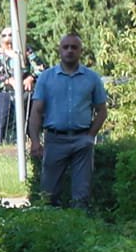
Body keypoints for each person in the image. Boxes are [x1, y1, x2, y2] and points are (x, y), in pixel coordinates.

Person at [26, 33, 109, 209]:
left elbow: (102, 111)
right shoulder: (46, 78)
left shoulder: (92, 78)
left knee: (82, 194)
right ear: (59, 50)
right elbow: (36, 112)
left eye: (74, 47)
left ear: (81, 51)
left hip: (81, 140)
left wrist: (90, 136)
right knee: (48, 193)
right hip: (55, 139)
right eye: (66, 47)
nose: (69, 51)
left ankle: (81, 231)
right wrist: (34, 141)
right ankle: (49, 228)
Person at [0, 28, 19, 145]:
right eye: (4, 35)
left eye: (10, 35)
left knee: (26, 122)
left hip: (24, 93)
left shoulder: (25, 51)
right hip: (5, 92)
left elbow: (40, 68)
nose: (7, 38)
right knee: (0, 123)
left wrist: (29, 78)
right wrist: (8, 81)